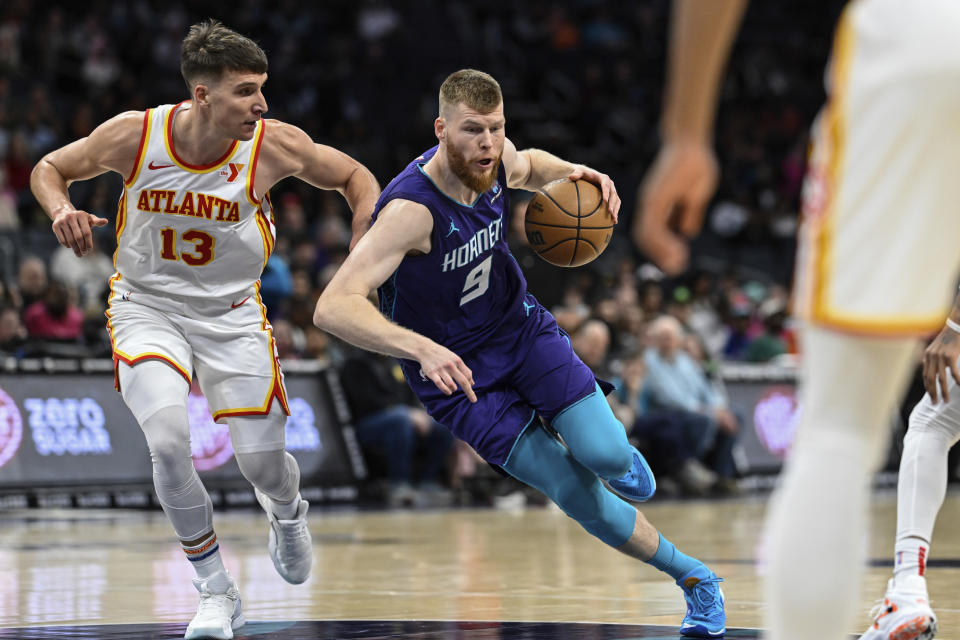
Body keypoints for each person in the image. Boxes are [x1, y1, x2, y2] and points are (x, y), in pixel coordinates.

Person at [314, 69, 726, 638]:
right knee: (574, 492)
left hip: (521, 333)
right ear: (440, 130)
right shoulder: (410, 213)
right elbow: (332, 306)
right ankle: (696, 579)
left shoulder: (495, 159)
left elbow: (527, 164)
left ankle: (609, 452)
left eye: (495, 129)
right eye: (472, 131)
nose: (486, 143)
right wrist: (418, 347)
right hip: (456, 376)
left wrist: (579, 173)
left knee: (605, 456)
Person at [30, 20, 380, 640]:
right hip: (148, 305)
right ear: (201, 95)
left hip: (232, 314)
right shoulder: (137, 134)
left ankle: (287, 513)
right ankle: (216, 591)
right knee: (166, 442)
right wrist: (61, 209)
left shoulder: (274, 145)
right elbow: (50, 167)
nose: (261, 104)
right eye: (246, 91)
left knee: (265, 466)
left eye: (262, 89)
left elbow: (357, 179)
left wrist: (360, 249)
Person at [632, 1, 960, 639]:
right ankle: (904, 588)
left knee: (838, 432)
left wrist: (686, 134)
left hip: (917, 38)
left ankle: (905, 591)